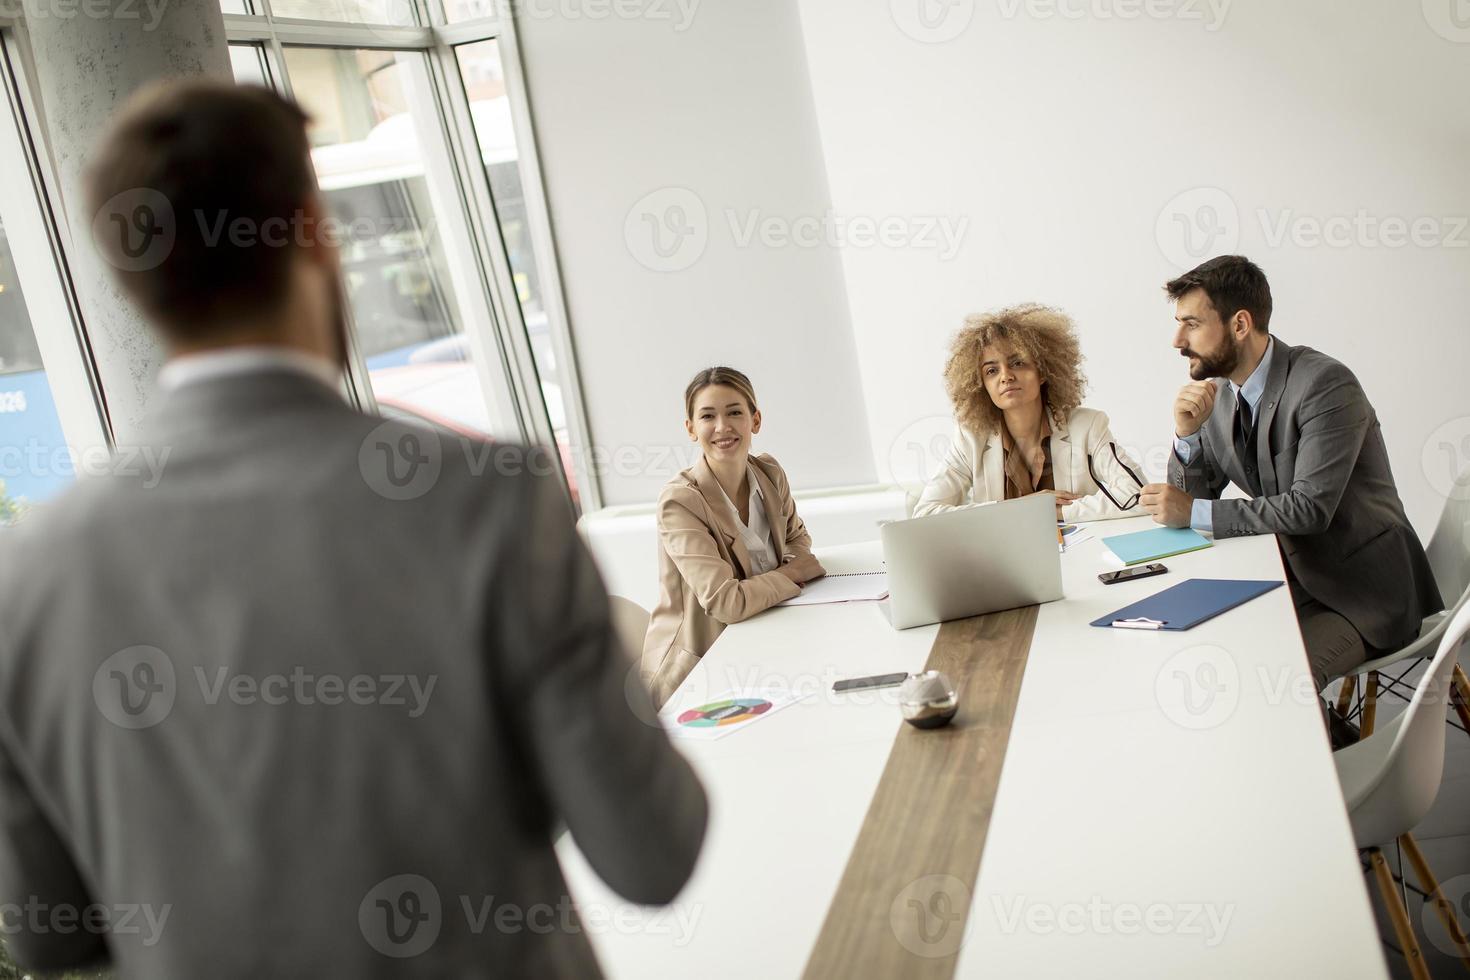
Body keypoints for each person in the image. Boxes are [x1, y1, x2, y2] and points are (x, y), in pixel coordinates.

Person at [0, 81, 706, 979]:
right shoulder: (492, 503)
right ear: (312, 231)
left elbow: (49, 932)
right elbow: (653, 854)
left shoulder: (23, 576)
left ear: (132, 282)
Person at [1141, 254, 1441, 704]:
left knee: (1282, 690)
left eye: (1190, 324)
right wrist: (1186, 436)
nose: (1176, 340)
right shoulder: (1220, 393)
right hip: (1292, 575)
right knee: (1220, 655)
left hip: (1361, 591)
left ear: (1239, 324)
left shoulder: (1324, 384)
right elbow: (1192, 501)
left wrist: (1196, 511)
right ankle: (1326, 744)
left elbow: (1310, 508)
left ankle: (1335, 767)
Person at [641, 368, 825, 708]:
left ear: (755, 420)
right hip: (698, 673)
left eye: (735, 412)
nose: (722, 426)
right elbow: (725, 602)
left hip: (762, 640)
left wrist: (784, 573)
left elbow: (797, 539)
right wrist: (789, 575)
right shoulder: (680, 501)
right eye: (708, 416)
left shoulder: (769, 473)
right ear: (691, 429)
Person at [914, 304, 1145, 522]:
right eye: (992, 370)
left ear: (1042, 372)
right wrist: (1024, 508)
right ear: (981, 384)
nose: (1006, 376)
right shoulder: (970, 437)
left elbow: (1138, 494)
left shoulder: (1088, 426)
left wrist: (1061, 513)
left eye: (1017, 363)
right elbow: (926, 513)